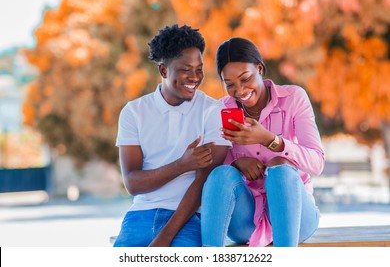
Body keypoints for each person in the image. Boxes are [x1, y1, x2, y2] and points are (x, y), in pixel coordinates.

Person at [113, 24, 231, 247]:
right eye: (186, 69)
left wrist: (164, 237)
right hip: (140, 215)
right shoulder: (134, 112)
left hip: (188, 217)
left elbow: (204, 182)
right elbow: (133, 183)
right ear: (163, 71)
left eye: (199, 69)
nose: (195, 77)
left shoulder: (213, 111)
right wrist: (182, 165)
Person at [201, 37, 325, 247]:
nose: (239, 90)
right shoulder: (221, 110)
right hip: (246, 219)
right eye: (229, 84)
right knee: (220, 174)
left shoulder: (294, 98)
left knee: (282, 170)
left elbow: (317, 163)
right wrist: (236, 164)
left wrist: (271, 140)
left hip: (296, 217)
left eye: (245, 78)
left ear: (259, 68)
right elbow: (215, 177)